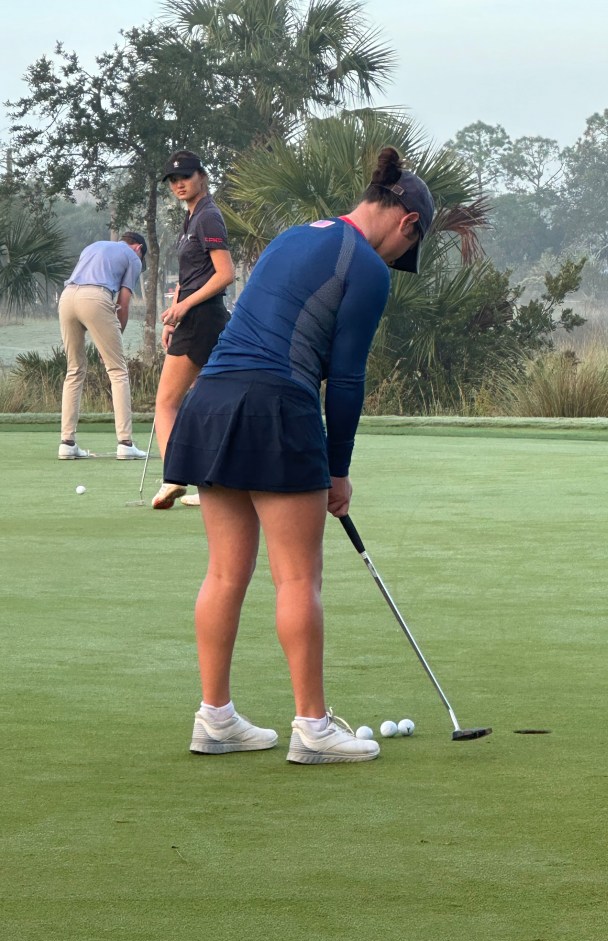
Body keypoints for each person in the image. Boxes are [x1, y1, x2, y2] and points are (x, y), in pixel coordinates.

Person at [163, 147, 435, 764]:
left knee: (224, 573)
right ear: (407, 222)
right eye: (406, 249)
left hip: (213, 401)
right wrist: (338, 469)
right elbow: (346, 379)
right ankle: (313, 728)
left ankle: (215, 720)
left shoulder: (293, 237)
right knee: (297, 577)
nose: (396, 261)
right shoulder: (366, 267)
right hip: (277, 407)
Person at [151, 151, 235, 509]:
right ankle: (212, 483)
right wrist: (175, 313)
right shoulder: (193, 217)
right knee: (205, 403)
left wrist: (184, 308)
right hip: (197, 318)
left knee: (166, 404)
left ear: (202, 175)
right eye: (173, 180)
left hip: (202, 318)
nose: (178, 184)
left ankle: (174, 477)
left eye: (185, 177)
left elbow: (225, 274)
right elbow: (190, 277)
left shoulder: (208, 217)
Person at [58, 232, 148, 460]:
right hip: (95, 298)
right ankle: (125, 443)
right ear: (138, 248)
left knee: (74, 370)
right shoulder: (134, 257)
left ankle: (67, 443)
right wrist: (116, 337)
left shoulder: (93, 245)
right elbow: (123, 303)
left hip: (67, 298)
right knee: (118, 370)